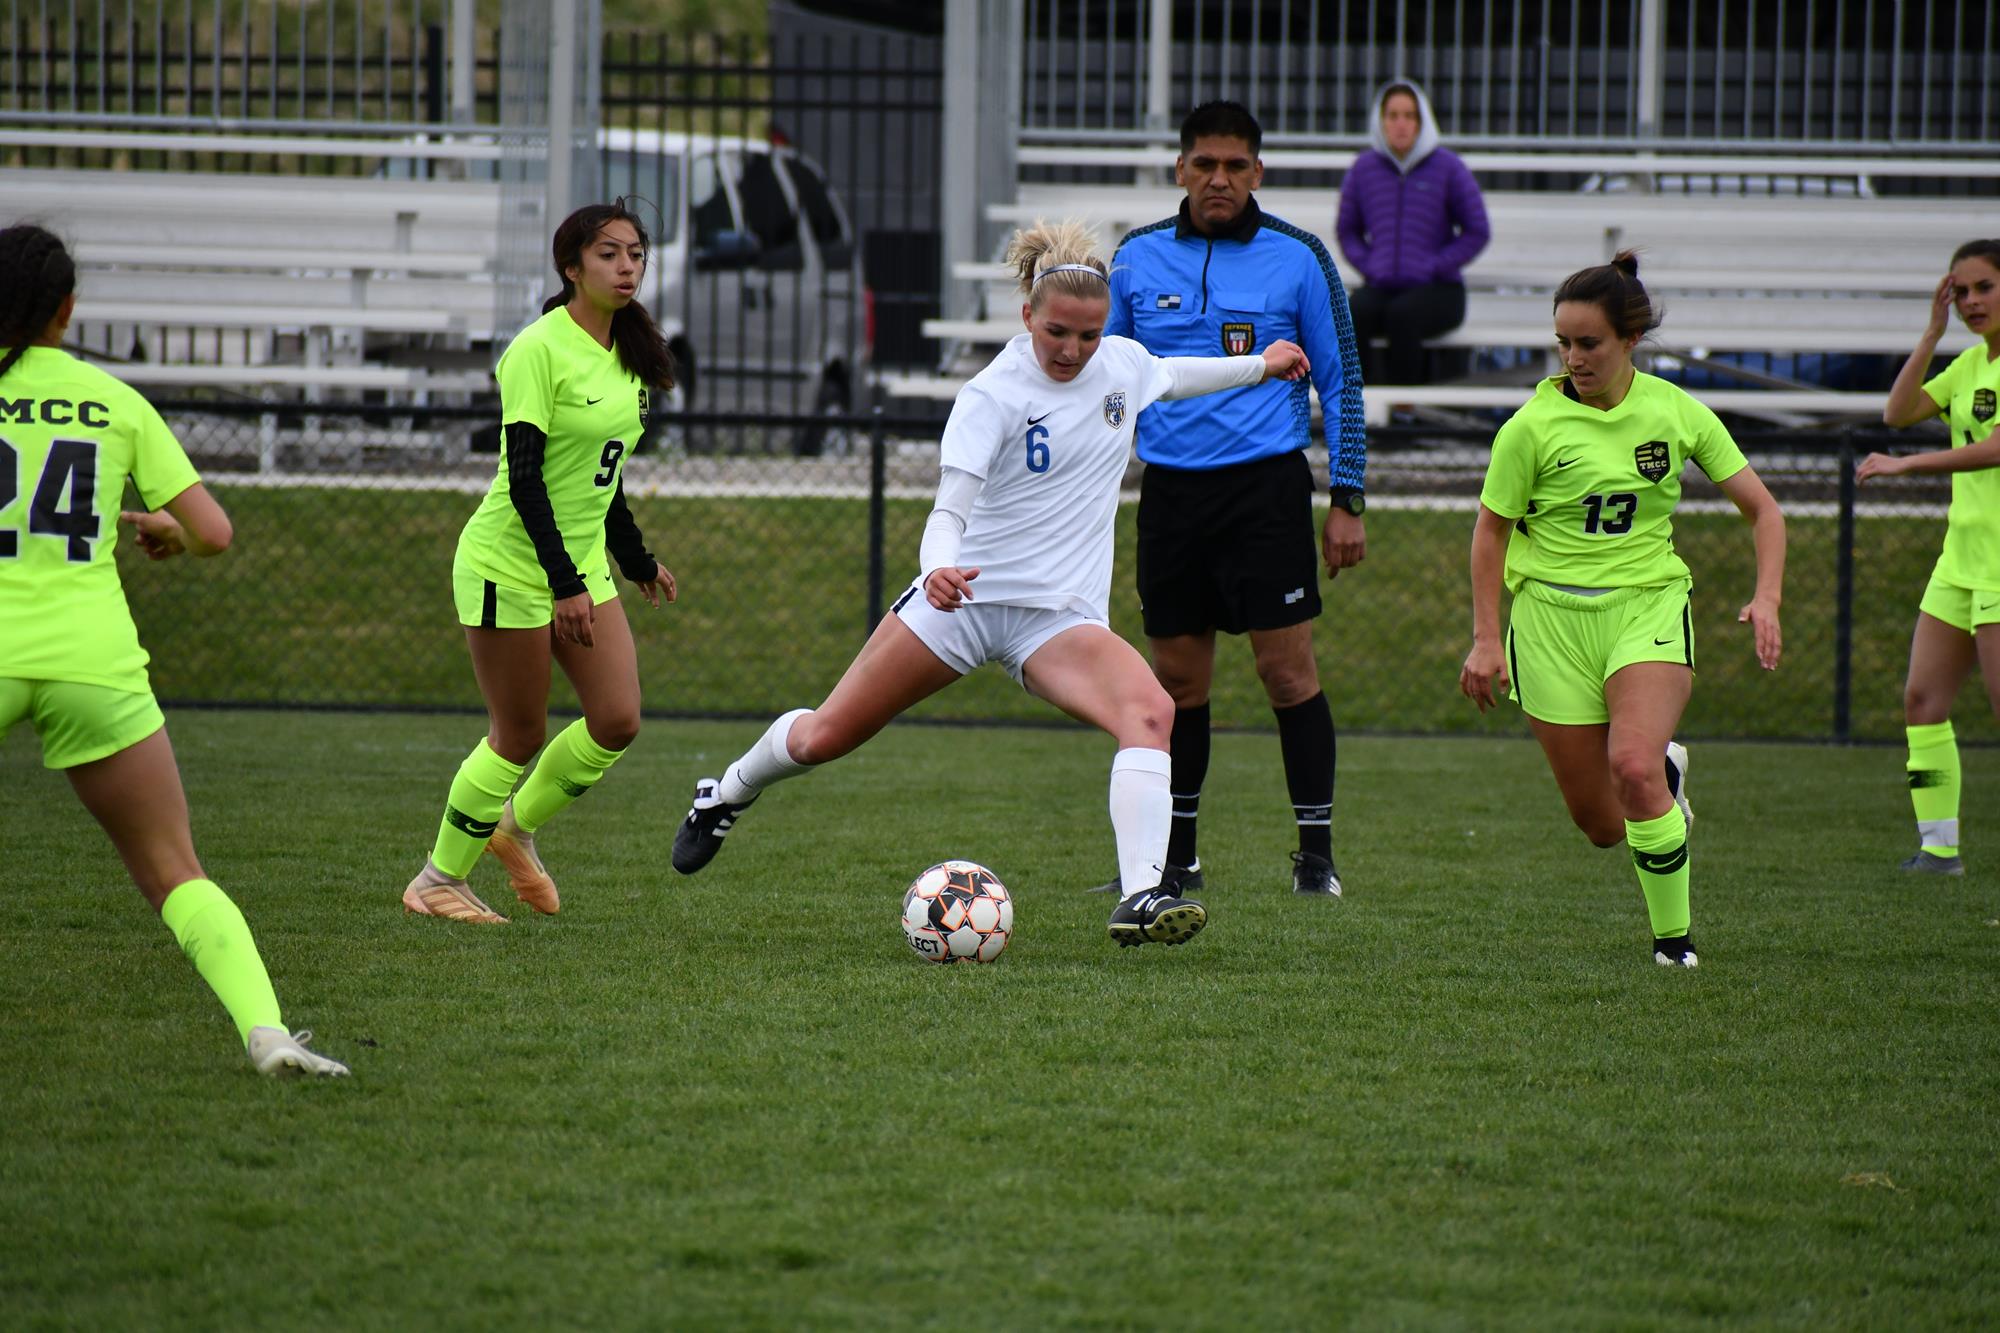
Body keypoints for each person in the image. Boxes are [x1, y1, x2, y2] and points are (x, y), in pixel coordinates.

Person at [669, 220, 1311, 947]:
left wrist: (1263, 362)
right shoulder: (991, 395)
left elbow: (1176, 372)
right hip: (964, 604)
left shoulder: (1123, 366)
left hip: (1055, 620)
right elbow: (950, 508)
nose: (1072, 350)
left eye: (1088, 336)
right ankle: (724, 792)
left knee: (1152, 712)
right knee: (824, 737)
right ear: (1028, 315)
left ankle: (1141, 894)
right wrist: (936, 567)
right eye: (1058, 333)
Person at [0, 224, 347, 1076]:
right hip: (93, 659)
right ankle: (266, 1031)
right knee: (173, 870)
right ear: (68, 311)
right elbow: (214, 532)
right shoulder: (113, 401)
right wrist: (168, 536)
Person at [1458, 252, 1786, 969]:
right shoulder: (1530, 428)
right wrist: (1487, 640)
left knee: (1630, 768)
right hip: (1548, 622)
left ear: (1629, 339)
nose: (1574, 358)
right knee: (1603, 825)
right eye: (1563, 344)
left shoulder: (1675, 412)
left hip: (1648, 605)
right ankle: (1666, 777)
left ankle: (1675, 945)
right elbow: (1490, 532)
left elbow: (1763, 510)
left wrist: (1767, 596)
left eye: (1589, 343)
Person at [1099, 99, 1365, 900]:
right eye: (1204, 164)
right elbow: (1102, 374)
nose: (1220, 179)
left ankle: (1315, 856)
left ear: (1259, 172)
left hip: (1266, 493)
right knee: (1177, 685)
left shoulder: (1299, 256)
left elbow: (1342, 376)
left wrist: (1347, 497)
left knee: (1288, 675)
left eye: (1236, 166)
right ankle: (1176, 858)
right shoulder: (1137, 258)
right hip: (1173, 495)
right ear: (1179, 168)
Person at [403, 201, 679, 924]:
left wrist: (637, 560)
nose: (628, 267)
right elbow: (525, 478)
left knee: (617, 720)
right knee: (518, 733)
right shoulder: (538, 349)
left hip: (578, 563)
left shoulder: (631, 353)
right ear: (571, 267)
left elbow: (601, 476)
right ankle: (436, 879)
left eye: (637, 254)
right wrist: (563, 584)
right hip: (509, 563)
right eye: (609, 254)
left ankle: (514, 829)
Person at [1856, 238, 2000, 876]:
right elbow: (1899, 411)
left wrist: (1910, 463)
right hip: (1959, 563)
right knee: (1922, 701)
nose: (1971, 302)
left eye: (1984, 288)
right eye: (1960, 291)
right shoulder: (1969, 365)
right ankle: (1939, 850)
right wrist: (1931, 333)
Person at [1336, 79, 1490, 387]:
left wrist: (1435, 265)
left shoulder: (1448, 167)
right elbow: (1347, 230)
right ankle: (1359, 408)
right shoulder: (1364, 168)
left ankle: (1403, 413)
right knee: (1351, 313)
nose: (1401, 124)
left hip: (1439, 289)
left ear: (1422, 121)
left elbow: (1477, 230)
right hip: (1382, 286)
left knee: (1403, 316)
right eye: (1392, 115)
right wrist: (1370, 265)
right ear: (1381, 121)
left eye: (1409, 115)